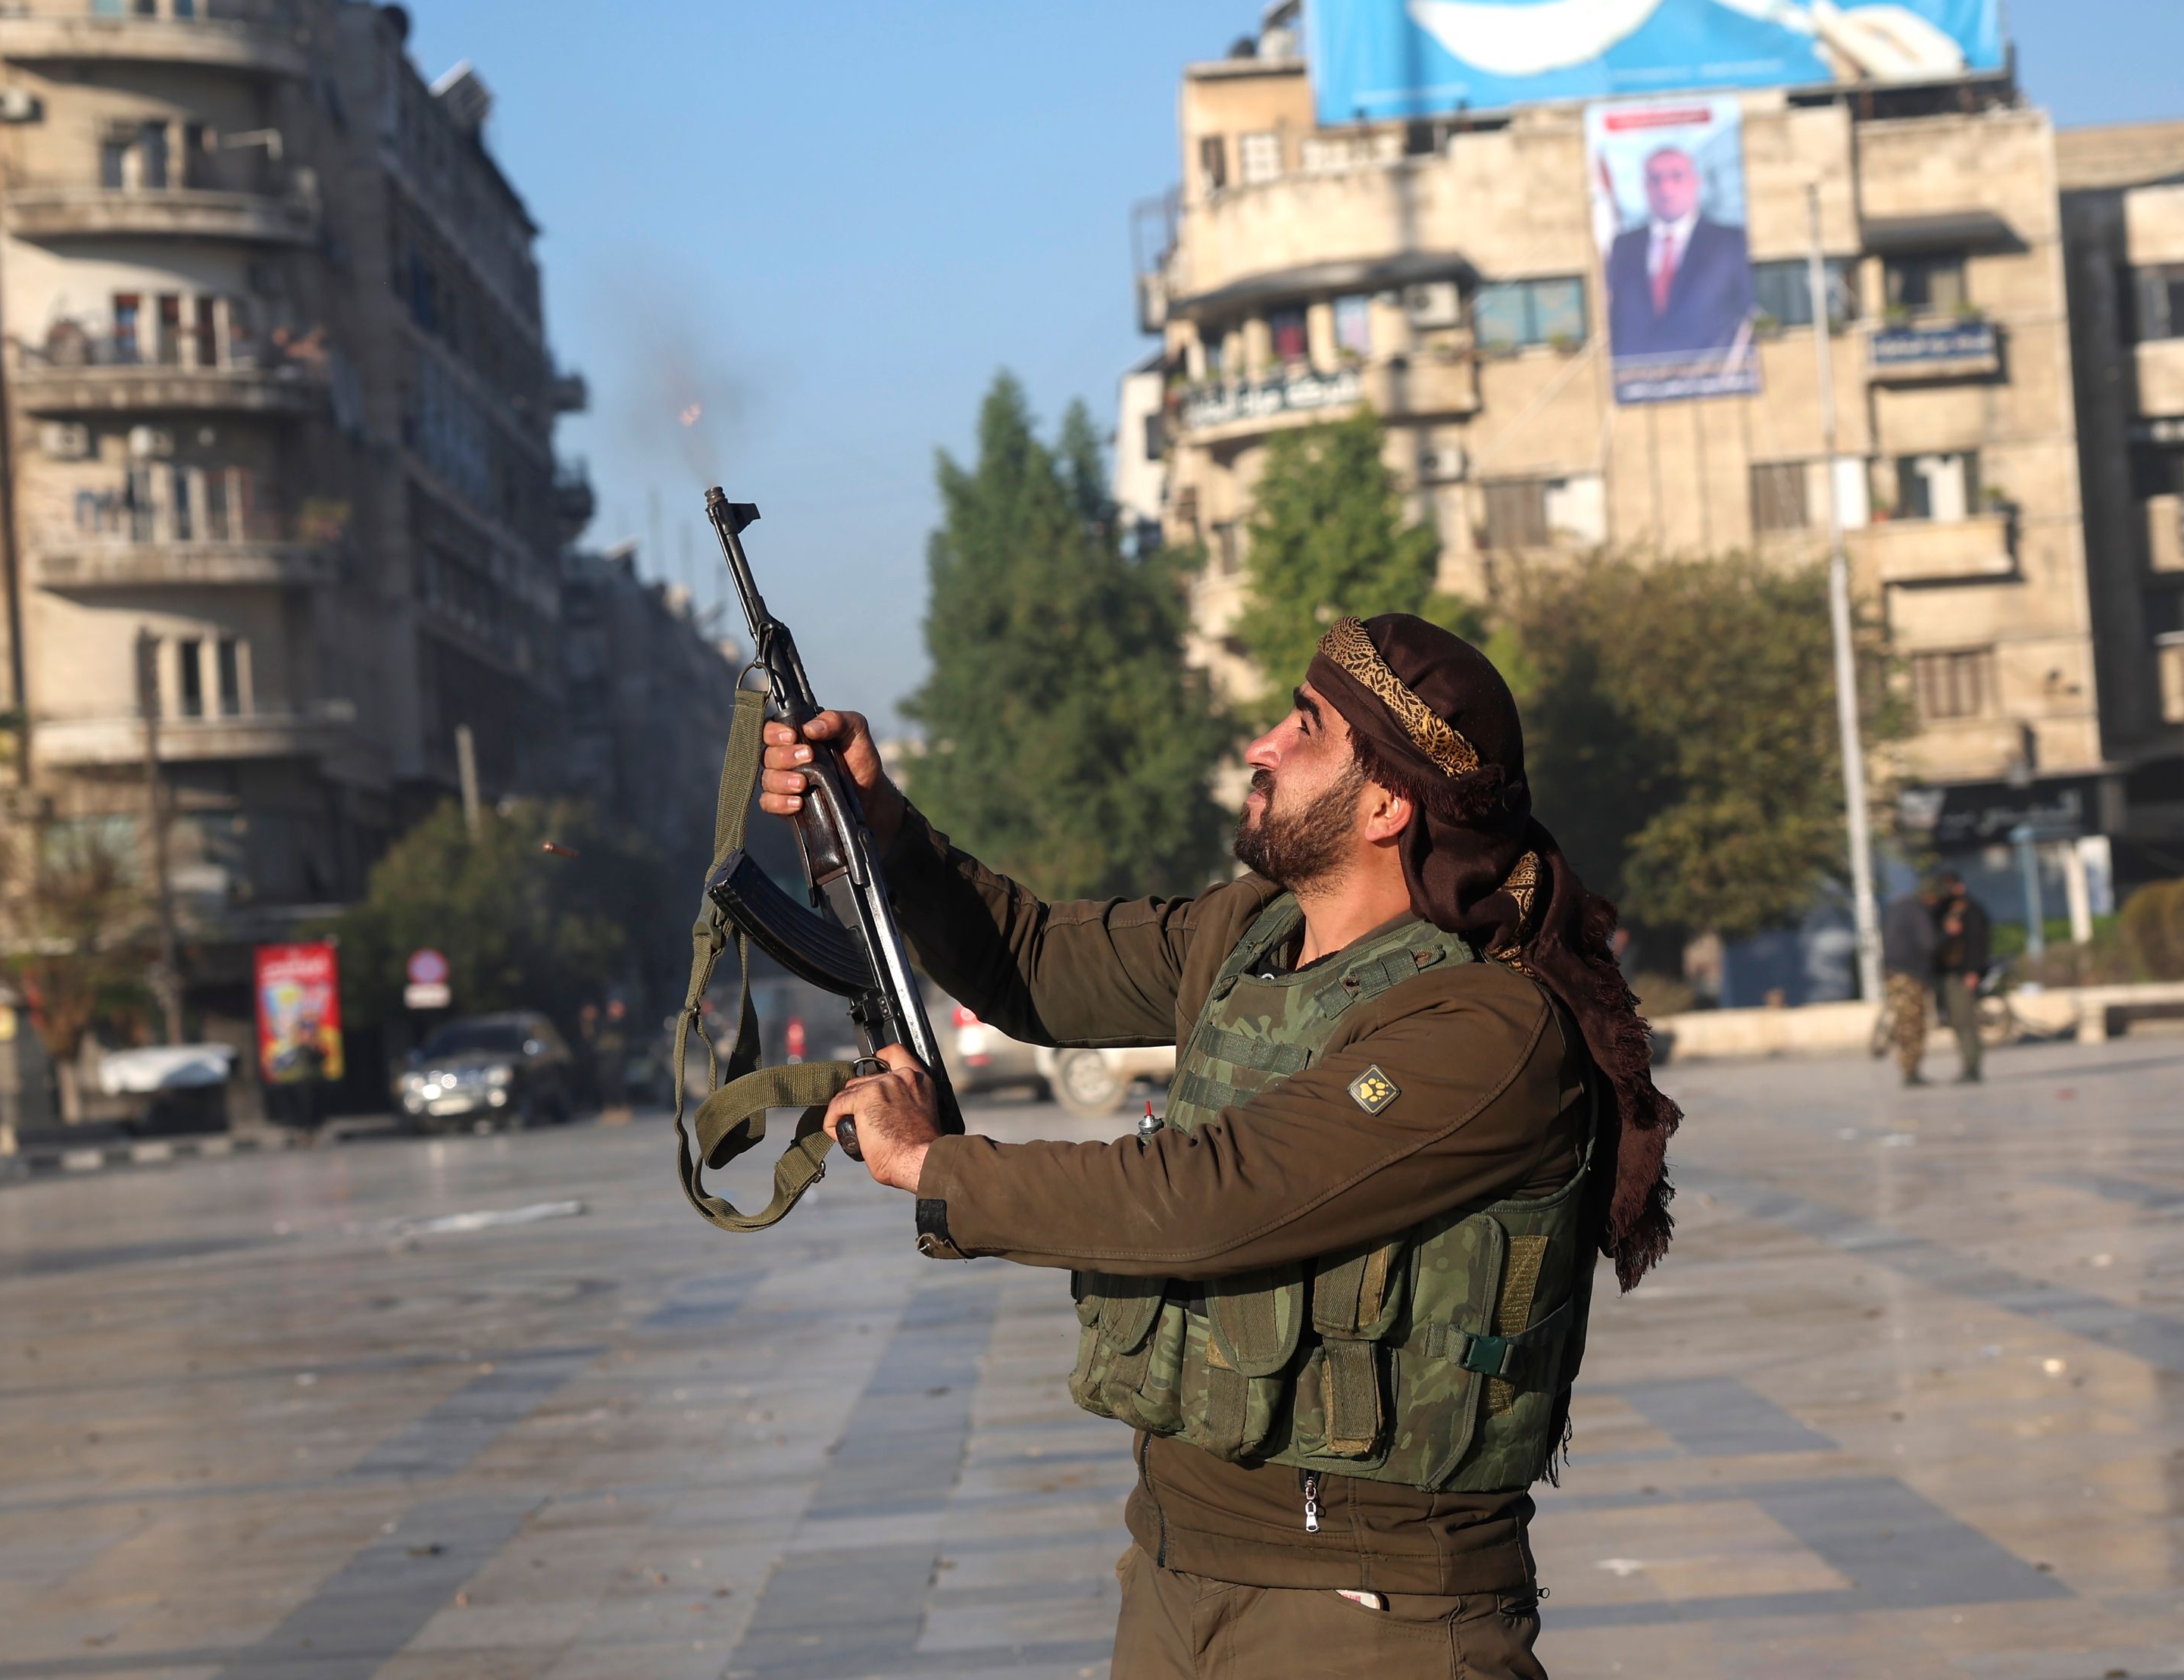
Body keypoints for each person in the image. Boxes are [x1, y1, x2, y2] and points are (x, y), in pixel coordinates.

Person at [761, 614, 1681, 1680]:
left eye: (1304, 727)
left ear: (1387, 803)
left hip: (1373, 1616)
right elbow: (1030, 962)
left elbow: (1211, 1196)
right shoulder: (1253, 931)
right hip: (1174, 1572)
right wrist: (878, 823)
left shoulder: (1487, 1029)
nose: (1262, 747)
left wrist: (936, 1166)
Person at [1601, 145, 1751, 362]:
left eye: (1677, 177)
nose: (1666, 188)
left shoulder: (1730, 242)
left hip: (1712, 375)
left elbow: (1747, 312)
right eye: (1655, 179)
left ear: (1695, 182)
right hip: (1636, 380)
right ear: (1645, 187)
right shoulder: (1623, 246)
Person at [1932, 872, 1991, 1085]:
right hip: (1947, 975)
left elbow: (1977, 944)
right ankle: (1968, 1065)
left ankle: (1972, 1066)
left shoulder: (1971, 911)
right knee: (1957, 1022)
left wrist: (1973, 971)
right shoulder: (1943, 911)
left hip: (1962, 974)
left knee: (1966, 1022)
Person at [1878, 878, 1938, 1088]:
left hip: (1893, 973)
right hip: (1911, 975)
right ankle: (1911, 1071)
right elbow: (1928, 942)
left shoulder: (1896, 908)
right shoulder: (1917, 910)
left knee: (1903, 1021)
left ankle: (1908, 1068)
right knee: (1913, 1023)